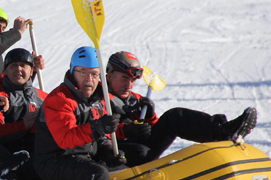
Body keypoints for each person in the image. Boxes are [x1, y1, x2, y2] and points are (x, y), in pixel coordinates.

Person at [34, 46, 127, 180]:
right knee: (97, 174)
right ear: (71, 72)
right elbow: (66, 138)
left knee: (121, 165)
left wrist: (108, 152)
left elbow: (97, 139)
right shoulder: (59, 99)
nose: (88, 79)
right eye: (82, 73)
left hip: (80, 156)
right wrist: (99, 127)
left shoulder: (99, 99)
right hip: (53, 160)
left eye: (94, 74)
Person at [105, 51, 258, 167]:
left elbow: (157, 130)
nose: (129, 85)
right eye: (125, 78)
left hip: (138, 147)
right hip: (112, 153)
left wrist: (151, 118)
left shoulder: (135, 99)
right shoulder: (99, 98)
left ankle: (223, 131)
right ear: (109, 76)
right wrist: (127, 130)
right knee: (141, 151)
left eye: (132, 80)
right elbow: (97, 131)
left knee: (174, 116)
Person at [0, 48, 47, 180]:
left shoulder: (44, 97)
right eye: (13, 66)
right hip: (8, 157)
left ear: (31, 70)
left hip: (39, 154)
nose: (18, 69)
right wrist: (23, 126)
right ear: (5, 71)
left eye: (23, 65)